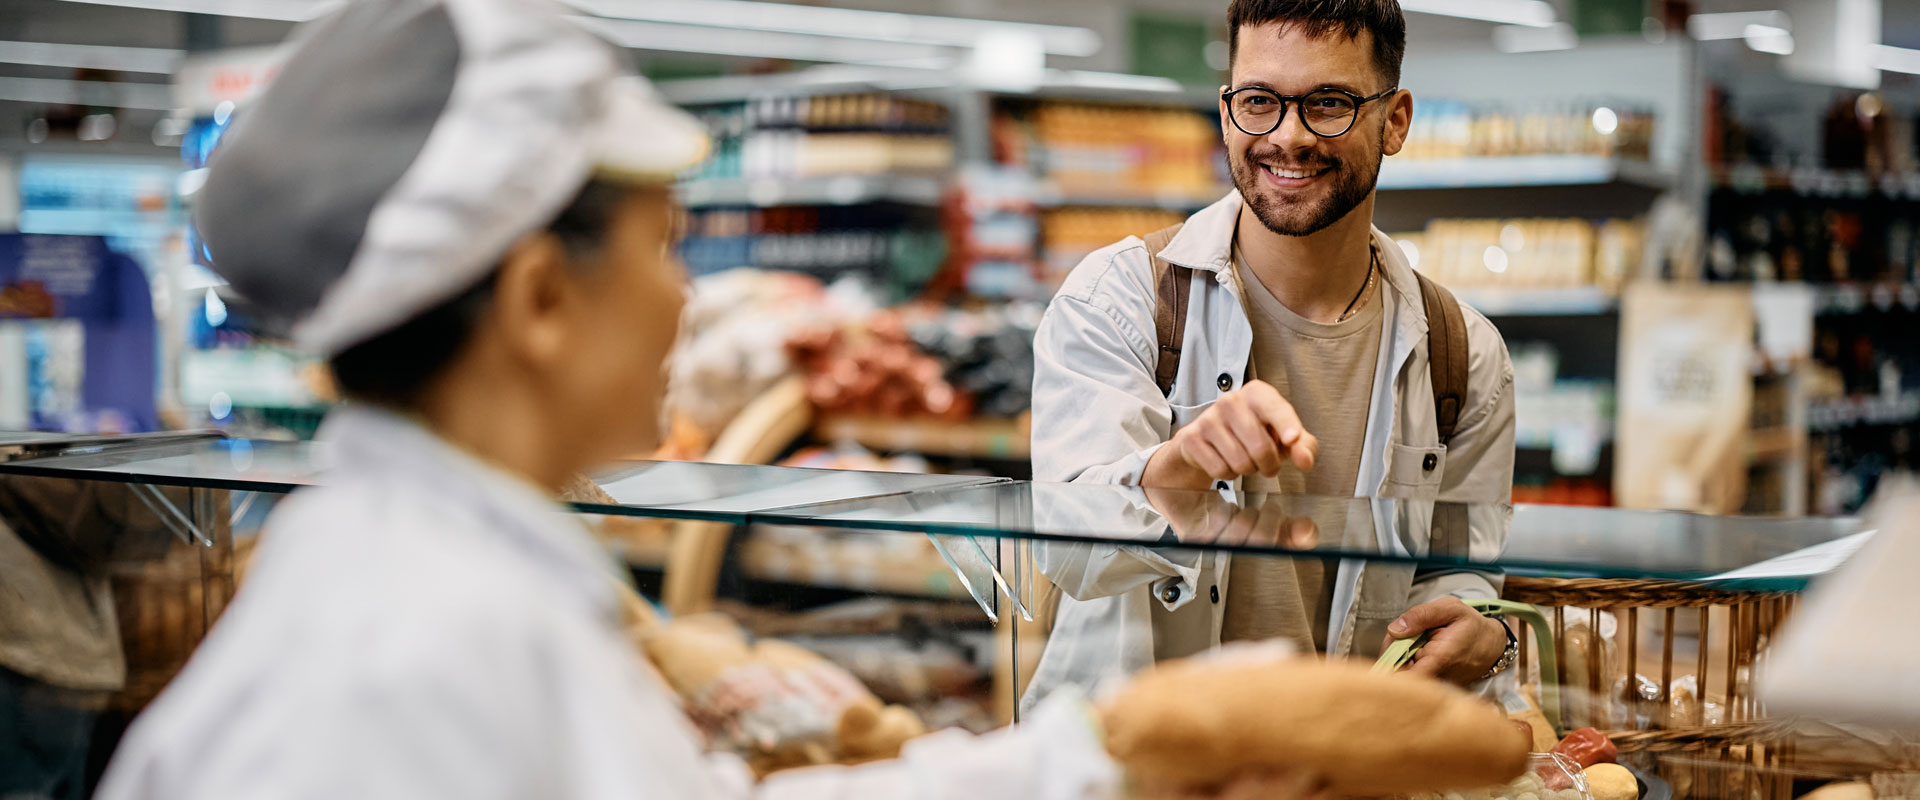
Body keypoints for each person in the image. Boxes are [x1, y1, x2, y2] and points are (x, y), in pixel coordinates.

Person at [91, 1, 1321, 798]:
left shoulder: (426, 575)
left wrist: (1101, 753)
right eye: (662, 246)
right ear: (538, 299)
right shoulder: (417, 647)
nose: (685, 300)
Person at [1029, 0, 1518, 693]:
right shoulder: (1119, 299)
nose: (1288, 136)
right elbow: (1066, 555)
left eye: (1329, 103)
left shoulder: (1464, 352)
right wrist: (1179, 466)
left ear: (1396, 120)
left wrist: (1483, 629)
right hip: (1149, 768)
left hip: (1345, 766)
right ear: (1227, 111)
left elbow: (1460, 569)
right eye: (1260, 101)